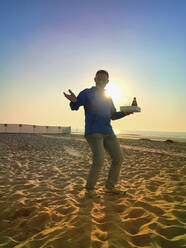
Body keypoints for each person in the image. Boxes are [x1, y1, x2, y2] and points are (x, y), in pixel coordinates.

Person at [64, 70, 133, 197]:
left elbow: (113, 115)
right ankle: (90, 190)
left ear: (107, 82)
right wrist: (73, 101)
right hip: (93, 132)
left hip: (108, 131)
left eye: (103, 79)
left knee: (118, 158)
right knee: (99, 160)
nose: (101, 81)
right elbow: (75, 106)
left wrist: (125, 113)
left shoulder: (108, 97)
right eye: (99, 78)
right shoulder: (87, 93)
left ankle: (110, 188)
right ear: (94, 79)